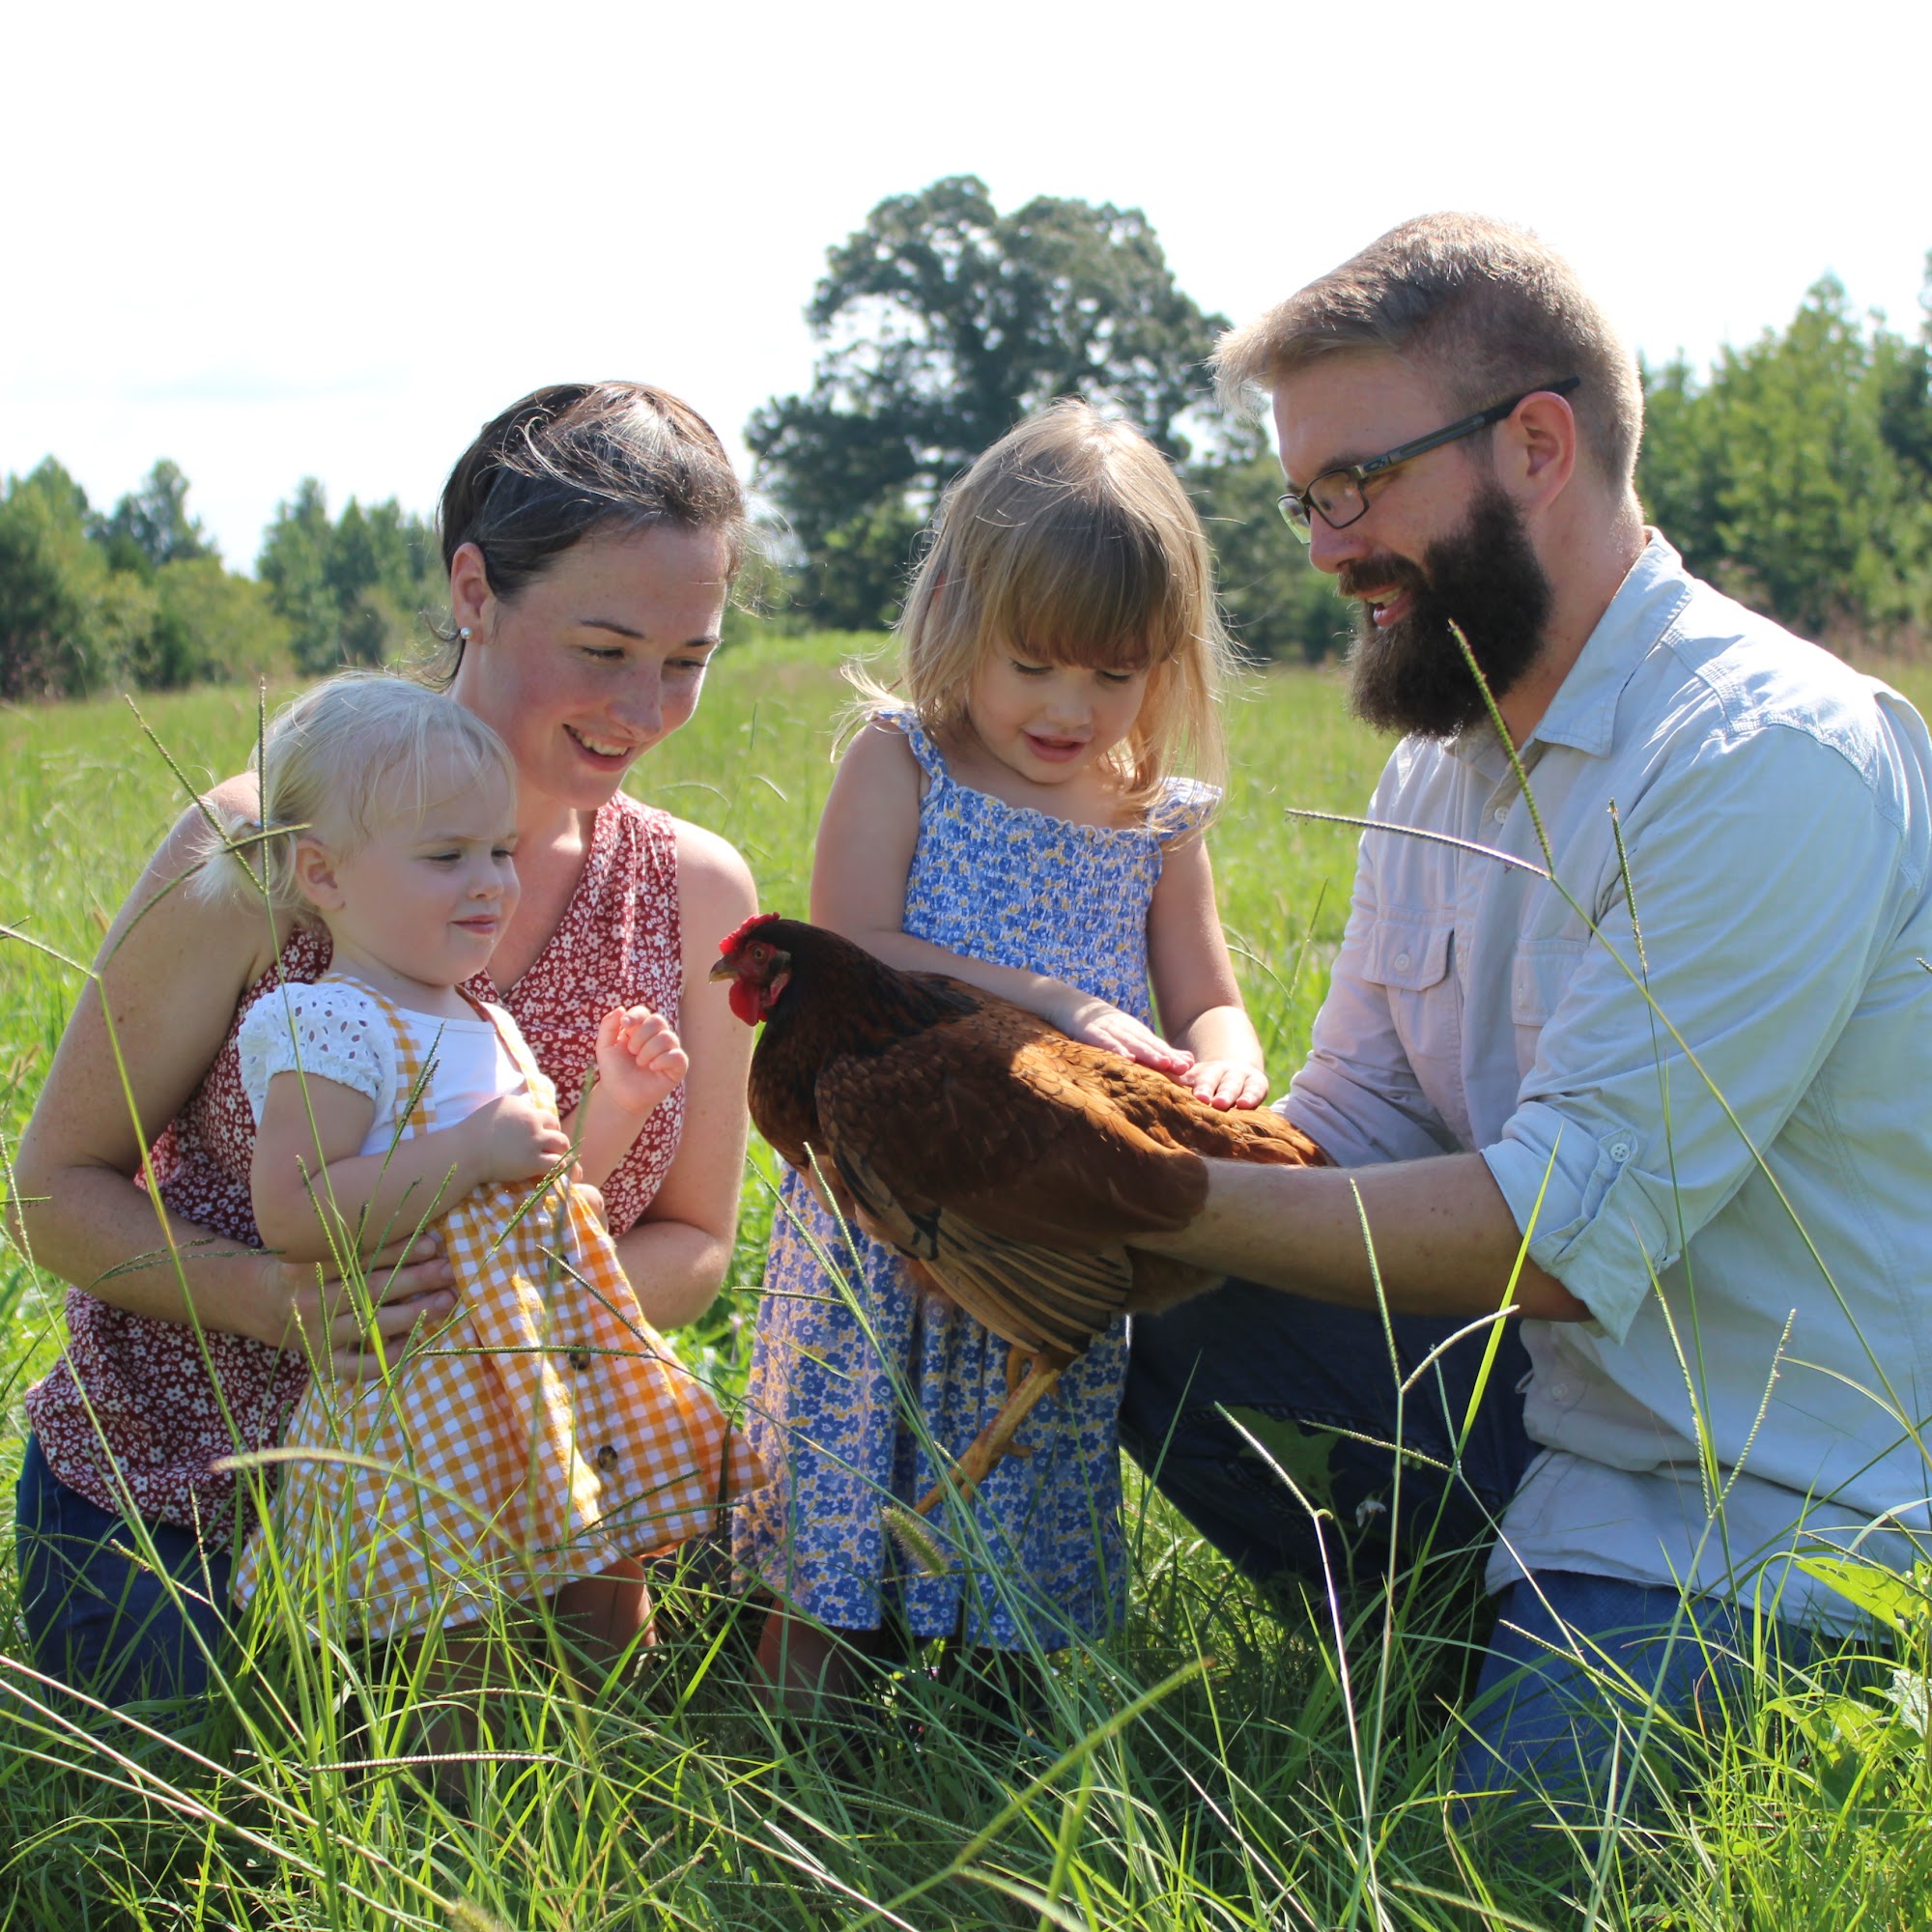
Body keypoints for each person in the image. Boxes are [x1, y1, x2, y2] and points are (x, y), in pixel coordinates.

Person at [1119, 213, 1932, 1817]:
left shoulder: (1764, 756)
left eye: (1358, 484)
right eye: (1304, 498)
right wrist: (1082, 1162)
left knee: (1492, 1879)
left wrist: (1149, 1193)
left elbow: (1565, 1234)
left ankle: (1554, 1682)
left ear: (1537, 445)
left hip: (1755, 1508)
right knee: (1143, 1304)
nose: (1327, 545)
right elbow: (1356, 1121)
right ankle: (1444, 1649)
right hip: (1537, 1431)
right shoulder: (1442, 761)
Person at [13, 383, 759, 1710]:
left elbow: (697, 1240)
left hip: (516, 1498)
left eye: (687, 659)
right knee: (224, 1785)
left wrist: (496, 1331)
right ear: (473, 589)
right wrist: (276, 1301)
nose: (644, 707)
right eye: (603, 647)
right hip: (198, 1482)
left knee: (567, 1762)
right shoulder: (266, 847)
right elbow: (54, 1193)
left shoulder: (694, 891)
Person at [734, 400, 1270, 1710]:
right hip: (886, 1204)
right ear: (958, 615)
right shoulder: (904, 761)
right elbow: (855, 942)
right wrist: (1057, 1003)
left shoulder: (1154, 817)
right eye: (1033, 663)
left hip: (1045, 1217)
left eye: (1116, 673)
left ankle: (1003, 1732)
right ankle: (796, 1730)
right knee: (847, 1465)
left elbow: (1207, 995)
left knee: (1025, 1480)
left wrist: (1227, 1061)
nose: (1070, 707)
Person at [211, 674, 755, 1661]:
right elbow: (294, 1209)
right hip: (429, 1391)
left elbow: (548, 1193)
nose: (490, 881)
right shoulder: (329, 1022)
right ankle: (464, 1754)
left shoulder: (480, 1017)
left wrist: (615, 1104)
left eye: (499, 850)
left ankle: (611, 1738)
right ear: (323, 875)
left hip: (541, 1370)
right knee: (458, 1626)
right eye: (445, 855)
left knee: (605, 1574)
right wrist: (465, 1152)